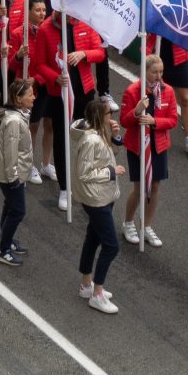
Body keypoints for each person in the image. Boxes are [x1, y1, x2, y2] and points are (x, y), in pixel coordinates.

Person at [72, 95, 127, 313]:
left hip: (102, 194)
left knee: (93, 237)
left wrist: (114, 138)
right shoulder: (90, 140)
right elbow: (84, 172)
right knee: (111, 246)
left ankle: (87, 284)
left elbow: (109, 155)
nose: (111, 116)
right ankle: (97, 293)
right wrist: (112, 172)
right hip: (96, 198)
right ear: (98, 116)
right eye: (108, 113)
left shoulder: (99, 135)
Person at [119, 54, 178, 246]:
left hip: (158, 145)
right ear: (145, 71)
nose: (159, 76)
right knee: (139, 189)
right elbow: (124, 121)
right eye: (155, 72)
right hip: (137, 146)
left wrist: (155, 122)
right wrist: (136, 111)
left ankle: (147, 226)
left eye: (161, 71)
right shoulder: (132, 91)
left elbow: (173, 120)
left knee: (155, 187)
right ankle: (128, 223)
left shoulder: (168, 91)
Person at [0, 78, 36, 266]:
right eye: (30, 94)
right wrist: (13, 178)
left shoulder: (18, 116)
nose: (34, 97)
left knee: (10, 207)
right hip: (12, 175)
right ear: (18, 99)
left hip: (15, 173)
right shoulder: (13, 121)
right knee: (17, 211)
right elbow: (10, 153)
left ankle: (6, 240)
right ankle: (3, 249)